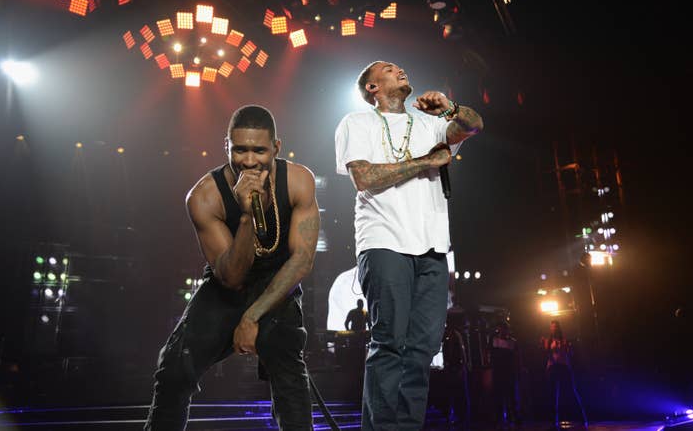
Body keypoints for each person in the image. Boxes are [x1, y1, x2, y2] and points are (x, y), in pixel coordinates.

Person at [144, 105, 320, 431]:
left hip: (278, 283)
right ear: (226, 146)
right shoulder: (204, 196)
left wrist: (252, 318)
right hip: (226, 287)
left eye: (259, 151)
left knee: (290, 375)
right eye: (240, 150)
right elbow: (232, 277)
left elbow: (301, 261)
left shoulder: (299, 181)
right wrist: (247, 215)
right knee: (174, 369)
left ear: (276, 147)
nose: (249, 161)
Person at [334, 60, 483, 430]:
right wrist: (427, 161)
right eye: (387, 69)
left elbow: (473, 125)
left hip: (433, 247)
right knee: (389, 343)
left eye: (398, 66)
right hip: (384, 241)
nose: (399, 69)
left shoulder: (429, 123)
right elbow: (364, 177)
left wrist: (449, 107)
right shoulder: (357, 122)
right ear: (372, 87)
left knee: (422, 349)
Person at [540, 319, 588, 429]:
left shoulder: (564, 340)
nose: (554, 328)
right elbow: (546, 354)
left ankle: (582, 418)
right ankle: (553, 421)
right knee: (552, 395)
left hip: (563, 367)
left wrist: (568, 347)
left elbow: (570, 354)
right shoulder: (548, 340)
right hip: (553, 368)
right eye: (552, 326)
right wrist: (545, 345)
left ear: (559, 328)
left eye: (555, 326)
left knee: (571, 391)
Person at [488, 320, 521, 429]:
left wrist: (517, 369)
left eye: (504, 329)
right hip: (498, 373)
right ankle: (498, 419)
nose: (502, 331)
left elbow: (517, 357)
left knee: (511, 397)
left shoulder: (512, 342)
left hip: (509, 373)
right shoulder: (494, 340)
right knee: (498, 397)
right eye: (500, 328)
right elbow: (489, 354)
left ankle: (514, 418)